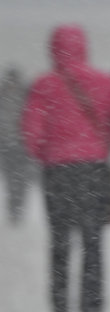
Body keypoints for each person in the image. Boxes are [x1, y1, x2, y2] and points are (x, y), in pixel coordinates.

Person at [22, 24, 110, 312]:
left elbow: (31, 135)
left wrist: (51, 153)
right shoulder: (104, 82)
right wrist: (102, 142)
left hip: (58, 175)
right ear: (83, 47)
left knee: (59, 244)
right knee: (92, 243)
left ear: (53, 48)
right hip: (93, 172)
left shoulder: (44, 85)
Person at [0, 67, 33, 224]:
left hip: (17, 144)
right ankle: (15, 207)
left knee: (17, 178)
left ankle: (16, 208)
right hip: (12, 144)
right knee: (14, 178)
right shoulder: (25, 95)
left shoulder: (19, 95)